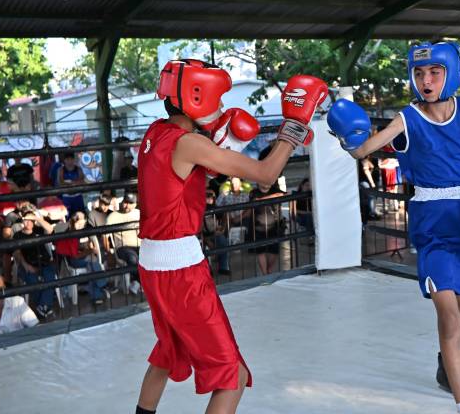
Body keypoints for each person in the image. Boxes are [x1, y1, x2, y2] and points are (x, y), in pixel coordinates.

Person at [327, 42, 460, 414]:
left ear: (451, 73)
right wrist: (347, 136)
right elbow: (362, 150)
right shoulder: (407, 117)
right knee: (448, 316)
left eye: (433, 72)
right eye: (418, 73)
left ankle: (446, 369)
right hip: (432, 221)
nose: (425, 80)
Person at [133, 58, 327, 414]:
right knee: (232, 376)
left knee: (168, 351)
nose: (222, 107)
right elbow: (266, 175)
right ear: (196, 98)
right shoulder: (189, 143)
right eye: (216, 100)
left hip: (153, 266)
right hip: (181, 271)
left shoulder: (156, 132)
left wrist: (224, 141)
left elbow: (190, 171)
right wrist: (293, 128)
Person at [54, 211, 110, 305]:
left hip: (85, 257)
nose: (82, 223)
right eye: (79, 221)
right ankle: (102, 285)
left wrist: (89, 250)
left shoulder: (84, 231)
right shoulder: (71, 233)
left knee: (92, 266)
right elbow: (75, 255)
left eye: (83, 221)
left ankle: (97, 294)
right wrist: (90, 251)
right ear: (73, 222)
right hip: (73, 260)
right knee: (94, 264)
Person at [12, 209, 57, 319]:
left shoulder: (39, 230)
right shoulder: (18, 235)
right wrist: (27, 266)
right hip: (27, 263)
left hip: (44, 262)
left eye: (31, 221)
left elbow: (50, 229)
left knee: (50, 276)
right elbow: (17, 253)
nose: (29, 223)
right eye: (26, 220)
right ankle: (45, 306)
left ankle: (42, 306)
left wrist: (37, 218)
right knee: (33, 280)